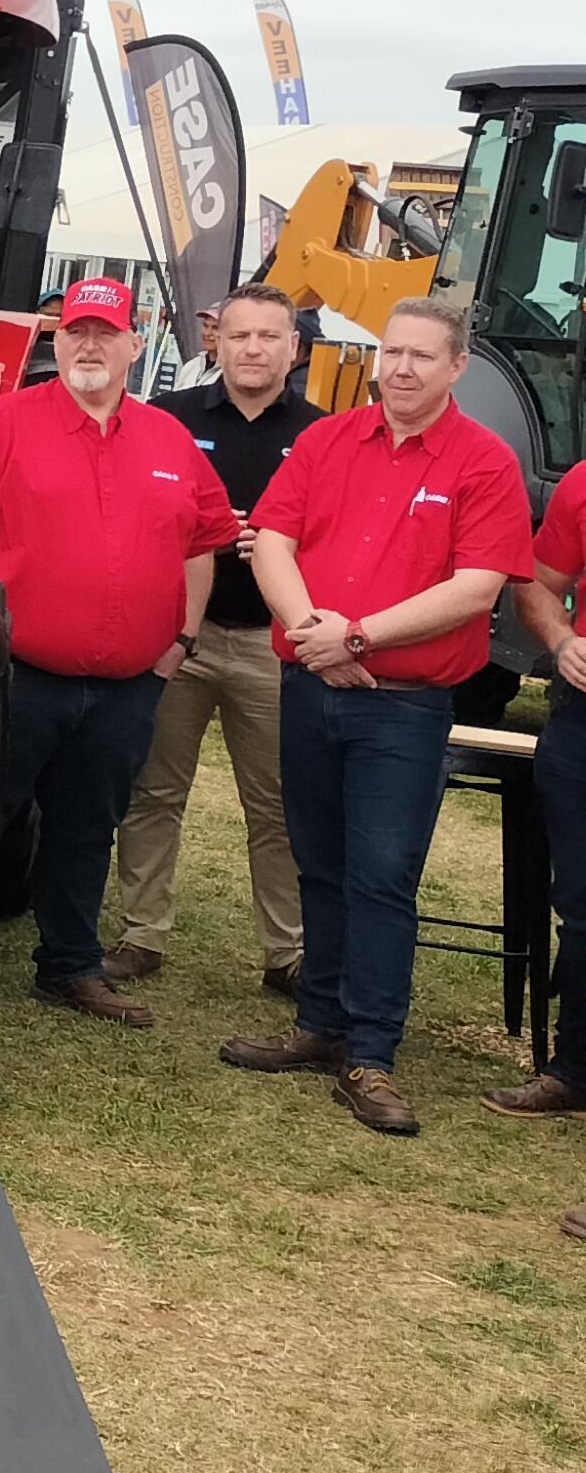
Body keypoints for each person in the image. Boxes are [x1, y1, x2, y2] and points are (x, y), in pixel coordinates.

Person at [220, 300, 532, 1133]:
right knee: (317, 863)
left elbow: (478, 587)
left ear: (456, 366)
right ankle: (318, 1024)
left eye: (422, 357)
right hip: (311, 691)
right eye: (392, 352)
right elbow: (274, 540)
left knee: (382, 879)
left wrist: (356, 634)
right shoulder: (326, 442)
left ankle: (371, 1053)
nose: (401, 369)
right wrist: (313, 637)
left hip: (404, 708)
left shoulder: (486, 462)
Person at [0, 274, 235, 1027]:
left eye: (105, 333)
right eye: (76, 332)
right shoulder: (2, 424)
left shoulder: (170, 440)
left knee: (89, 826)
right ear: (57, 342)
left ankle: (69, 966)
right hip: (19, 676)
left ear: (134, 344)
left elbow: (202, 543)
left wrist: (181, 640)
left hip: (127, 686)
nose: (90, 345)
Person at [107, 285, 319, 993]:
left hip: (272, 643)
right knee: (154, 791)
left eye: (268, 336)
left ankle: (287, 953)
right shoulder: (164, 419)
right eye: (239, 336)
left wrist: (282, 541)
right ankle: (141, 935)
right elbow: (128, 515)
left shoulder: (325, 436)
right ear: (215, 343)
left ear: (294, 347)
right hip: (178, 640)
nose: (253, 349)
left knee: (278, 805)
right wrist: (203, 527)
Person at [487, 461, 586, 1147]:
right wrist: (563, 642)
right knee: (580, 904)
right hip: (582, 721)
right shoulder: (582, 483)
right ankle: (574, 1071)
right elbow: (540, 587)